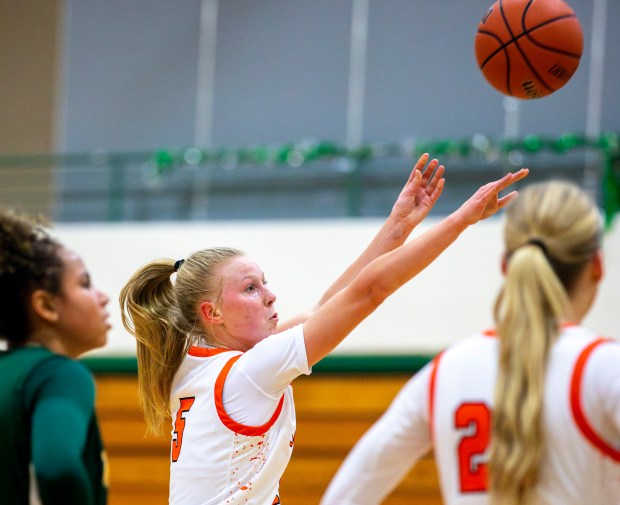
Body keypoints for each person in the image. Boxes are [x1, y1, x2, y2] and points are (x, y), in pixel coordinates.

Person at [119, 152, 528, 505]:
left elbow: (324, 309)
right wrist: (461, 219)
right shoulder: (249, 372)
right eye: (249, 288)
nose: (270, 296)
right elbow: (369, 292)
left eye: (264, 282)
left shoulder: (195, 360)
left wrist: (398, 227)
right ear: (213, 313)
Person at [321, 179, 620, 505]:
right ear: (597, 267)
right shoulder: (604, 367)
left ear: (506, 267)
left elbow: (343, 498)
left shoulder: (445, 373)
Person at [0, 210, 111, 504]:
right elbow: (57, 467)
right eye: (85, 283)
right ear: (47, 305)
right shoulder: (58, 374)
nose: (102, 297)